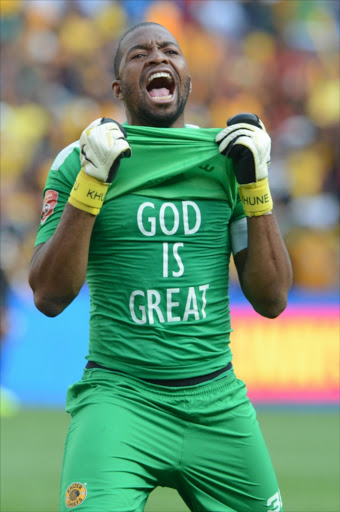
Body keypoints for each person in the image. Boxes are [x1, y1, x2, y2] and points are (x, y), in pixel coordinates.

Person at [29, 22, 292, 512]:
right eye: (140, 53)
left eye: (170, 50)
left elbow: (273, 299)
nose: (157, 57)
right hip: (119, 398)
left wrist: (256, 186)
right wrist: (91, 182)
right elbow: (47, 295)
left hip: (216, 401)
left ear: (187, 79)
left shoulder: (226, 158)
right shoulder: (80, 159)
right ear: (118, 87)